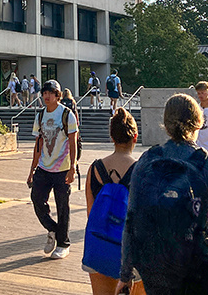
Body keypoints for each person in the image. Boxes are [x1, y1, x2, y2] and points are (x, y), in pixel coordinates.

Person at [117, 94, 208, 295]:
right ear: (199, 123)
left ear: (165, 124)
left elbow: (131, 221)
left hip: (155, 266)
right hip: (196, 267)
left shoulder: (146, 162)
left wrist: (125, 274)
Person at [84, 108, 140, 295]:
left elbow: (91, 213)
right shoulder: (141, 170)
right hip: (133, 252)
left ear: (112, 137)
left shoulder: (94, 169)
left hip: (100, 247)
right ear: (135, 136)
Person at [27, 80, 78, 259]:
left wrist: (73, 168)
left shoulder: (66, 115)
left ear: (58, 95)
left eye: (51, 93)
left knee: (63, 205)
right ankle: (54, 229)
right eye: (44, 93)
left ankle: (63, 243)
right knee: (36, 198)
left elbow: (73, 142)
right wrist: (31, 170)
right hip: (43, 167)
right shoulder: (40, 115)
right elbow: (38, 144)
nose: (46, 96)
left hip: (62, 168)